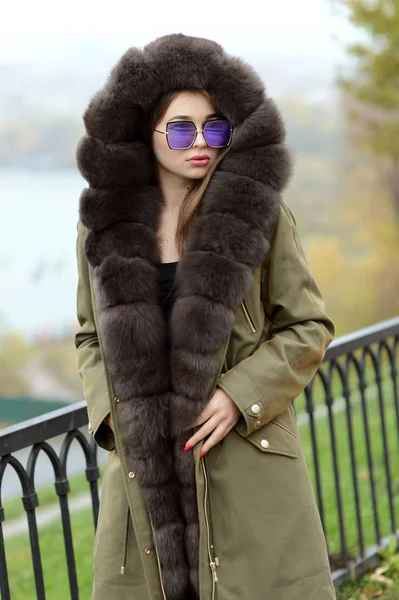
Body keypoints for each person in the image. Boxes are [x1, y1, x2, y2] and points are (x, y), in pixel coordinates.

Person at [75, 33, 336, 600]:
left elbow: (308, 326)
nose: (201, 141)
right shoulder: (105, 225)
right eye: (182, 127)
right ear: (146, 132)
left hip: (242, 462)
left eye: (215, 126)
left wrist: (238, 395)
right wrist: (116, 419)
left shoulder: (258, 215)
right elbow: (89, 335)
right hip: (146, 479)